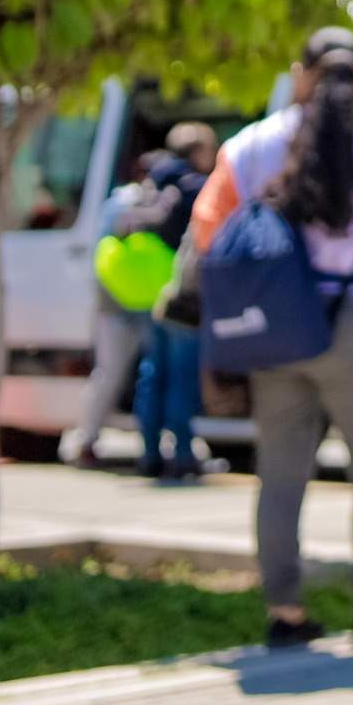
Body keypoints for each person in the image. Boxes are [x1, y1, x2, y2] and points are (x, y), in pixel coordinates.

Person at [189, 28, 353, 648]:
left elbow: (209, 228)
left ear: (300, 74)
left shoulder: (254, 144)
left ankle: (284, 614)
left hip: (280, 321)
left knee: (280, 476)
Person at [127, 123, 218, 479]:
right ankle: (181, 453)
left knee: (152, 374)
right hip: (183, 296)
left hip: (149, 292)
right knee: (181, 378)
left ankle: (149, 452)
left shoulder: (148, 185)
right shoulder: (197, 188)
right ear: (197, 152)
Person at [67, 156, 163, 468]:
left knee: (121, 374)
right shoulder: (126, 202)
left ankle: (99, 441)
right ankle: (87, 440)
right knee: (119, 374)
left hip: (130, 304)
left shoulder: (129, 203)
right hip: (125, 306)